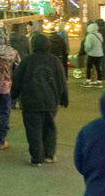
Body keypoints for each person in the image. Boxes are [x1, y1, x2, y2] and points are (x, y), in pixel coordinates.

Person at [12, 33, 68, 166]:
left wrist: (13, 95)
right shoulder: (54, 61)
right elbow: (62, 81)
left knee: (33, 129)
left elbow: (17, 80)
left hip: (30, 101)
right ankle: (49, 154)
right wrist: (64, 98)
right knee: (49, 127)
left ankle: (37, 158)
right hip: (50, 101)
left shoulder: (27, 61)